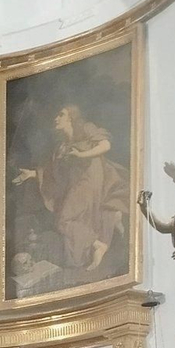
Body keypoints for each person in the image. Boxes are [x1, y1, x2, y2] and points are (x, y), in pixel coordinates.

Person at [12, 104, 128, 284]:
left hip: (90, 179)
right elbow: (52, 173)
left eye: (61, 115)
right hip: (77, 184)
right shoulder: (62, 147)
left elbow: (105, 145)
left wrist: (82, 155)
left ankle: (98, 244)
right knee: (69, 221)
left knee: (64, 220)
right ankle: (100, 240)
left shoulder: (86, 128)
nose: (56, 118)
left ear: (71, 118)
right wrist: (31, 174)